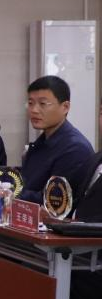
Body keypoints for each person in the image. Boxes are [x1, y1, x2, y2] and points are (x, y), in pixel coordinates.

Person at [18, 75, 93, 203]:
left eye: (43, 104)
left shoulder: (75, 149)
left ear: (65, 107)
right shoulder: (43, 141)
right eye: (30, 103)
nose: (34, 110)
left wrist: (11, 193)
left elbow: (53, 200)